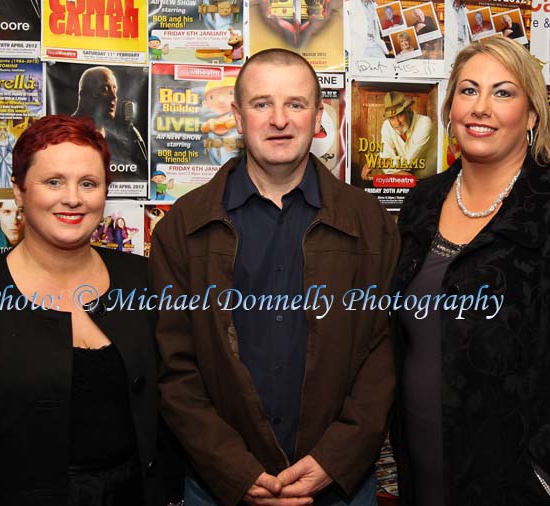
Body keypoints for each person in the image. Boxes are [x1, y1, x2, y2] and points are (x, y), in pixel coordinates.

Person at [150, 48, 399, 506]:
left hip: (339, 486)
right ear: (238, 116)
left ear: (318, 115)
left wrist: (335, 458)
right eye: (262, 103)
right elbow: (175, 370)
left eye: (296, 104)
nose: (279, 119)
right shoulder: (182, 228)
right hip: (218, 488)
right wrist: (234, 469)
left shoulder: (371, 223)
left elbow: (382, 353)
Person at [392, 36, 550, 506]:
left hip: (523, 487)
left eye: (503, 92)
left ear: (532, 115)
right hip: (423, 472)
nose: (481, 107)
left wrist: (545, 476)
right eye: (468, 90)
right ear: (450, 107)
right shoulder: (421, 202)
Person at [0, 115, 168, 506]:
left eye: (88, 183)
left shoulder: (142, 280)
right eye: (53, 181)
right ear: (19, 192)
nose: (72, 198)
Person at [72, 66, 147, 166]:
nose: (114, 97)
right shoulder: (67, 133)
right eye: (105, 89)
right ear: (84, 95)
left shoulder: (116, 139)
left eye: (114, 89)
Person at [361, 91, 437, 180]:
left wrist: (379, 162)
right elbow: (386, 157)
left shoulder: (424, 123)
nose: (397, 123)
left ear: (409, 111)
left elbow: (409, 163)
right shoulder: (387, 125)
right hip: (403, 179)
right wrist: (401, 173)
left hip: (431, 180)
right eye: (392, 118)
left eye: (400, 115)